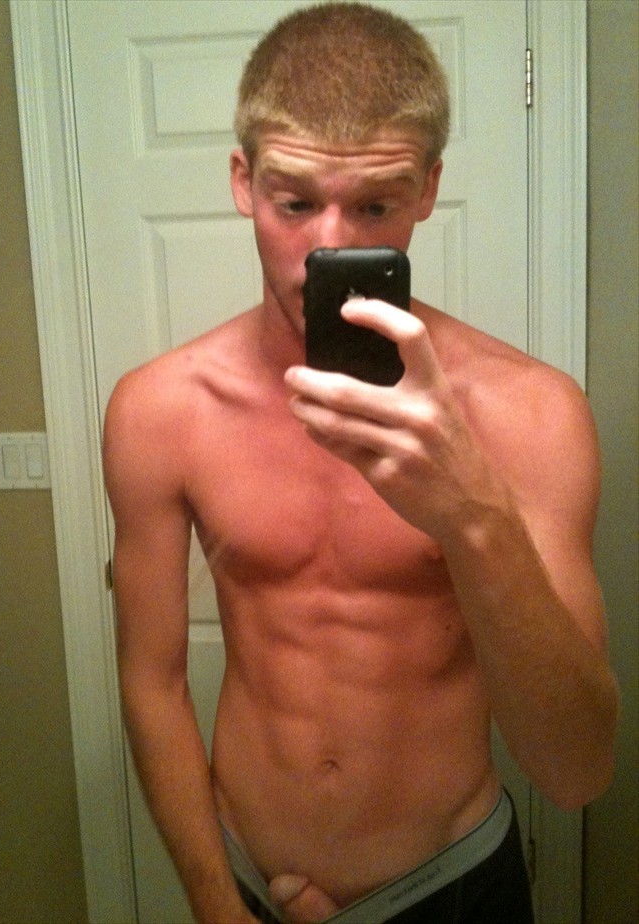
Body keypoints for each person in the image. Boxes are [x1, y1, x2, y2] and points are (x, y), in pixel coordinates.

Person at [103, 4, 619, 922]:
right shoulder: (160, 410)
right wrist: (216, 905)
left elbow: (576, 770)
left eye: (375, 205)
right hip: (245, 883)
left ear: (427, 190)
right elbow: (154, 682)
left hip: (451, 882)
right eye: (294, 202)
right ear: (243, 181)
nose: (328, 248)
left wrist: (470, 510)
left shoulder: (530, 413)